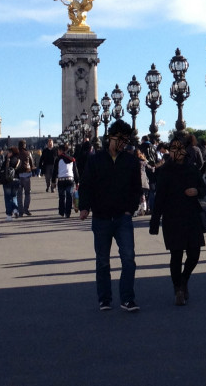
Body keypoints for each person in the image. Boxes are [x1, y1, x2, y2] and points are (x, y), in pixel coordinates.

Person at [78, 120, 142, 312]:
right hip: (101, 218)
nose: (123, 143)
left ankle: (127, 299)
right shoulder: (95, 159)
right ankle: (105, 299)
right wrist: (85, 207)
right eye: (120, 139)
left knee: (129, 259)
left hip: (123, 217)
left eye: (126, 140)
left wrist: (130, 208)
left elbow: (136, 188)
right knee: (103, 261)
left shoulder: (131, 161)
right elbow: (86, 185)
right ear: (111, 137)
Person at [149, 137, 206, 306]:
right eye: (173, 149)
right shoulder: (165, 171)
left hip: (191, 215)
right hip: (172, 217)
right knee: (176, 254)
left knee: (195, 253)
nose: (176, 152)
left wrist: (196, 190)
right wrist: (154, 221)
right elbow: (159, 198)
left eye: (179, 148)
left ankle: (184, 279)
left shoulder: (192, 169)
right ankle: (178, 289)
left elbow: (203, 189)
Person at [51, 144, 80, 218]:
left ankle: (61, 212)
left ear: (61, 151)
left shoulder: (58, 159)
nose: (58, 152)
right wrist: (77, 181)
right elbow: (75, 171)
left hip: (61, 180)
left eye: (58, 150)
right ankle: (68, 213)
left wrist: (53, 181)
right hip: (70, 179)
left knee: (61, 197)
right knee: (69, 196)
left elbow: (55, 171)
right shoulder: (71, 159)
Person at [0, 147, 20, 221]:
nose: (7, 153)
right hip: (16, 180)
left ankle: (9, 215)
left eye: (8, 152)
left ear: (11, 153)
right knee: (14, 196)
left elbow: (2, 170)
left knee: (8, 198)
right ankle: (15, 209)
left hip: (7, 181)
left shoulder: (7, 161)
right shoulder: (18, 160)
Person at [15, 140, 35, 217]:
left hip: (19, 176)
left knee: (19, 195)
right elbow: (32, 163)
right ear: (24, 145)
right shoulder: (28, 153)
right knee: (27, 193)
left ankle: (20, 211)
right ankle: (26, 209)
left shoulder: (17, 154)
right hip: (27, 175)